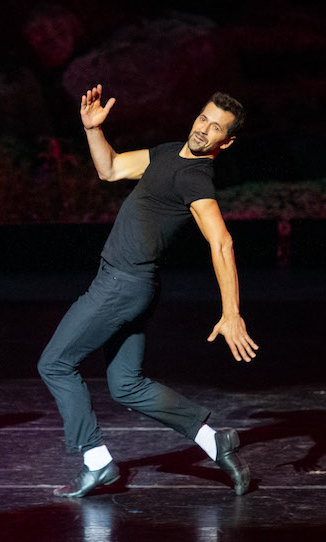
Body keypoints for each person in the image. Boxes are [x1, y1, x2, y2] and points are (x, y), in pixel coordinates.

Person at [38, 85, 259, 498]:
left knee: (54, 364)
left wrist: (231, 312)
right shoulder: (167, 153)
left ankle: (96, 460)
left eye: (215, 129)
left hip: (121, 284)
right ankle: (214, 440)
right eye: (203, 119)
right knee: (126, 385)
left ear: (225, 143)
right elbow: (111, 169)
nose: (203, 129)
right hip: (132, 285)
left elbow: (222, 242)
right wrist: (92, 130)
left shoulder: (194, 177)